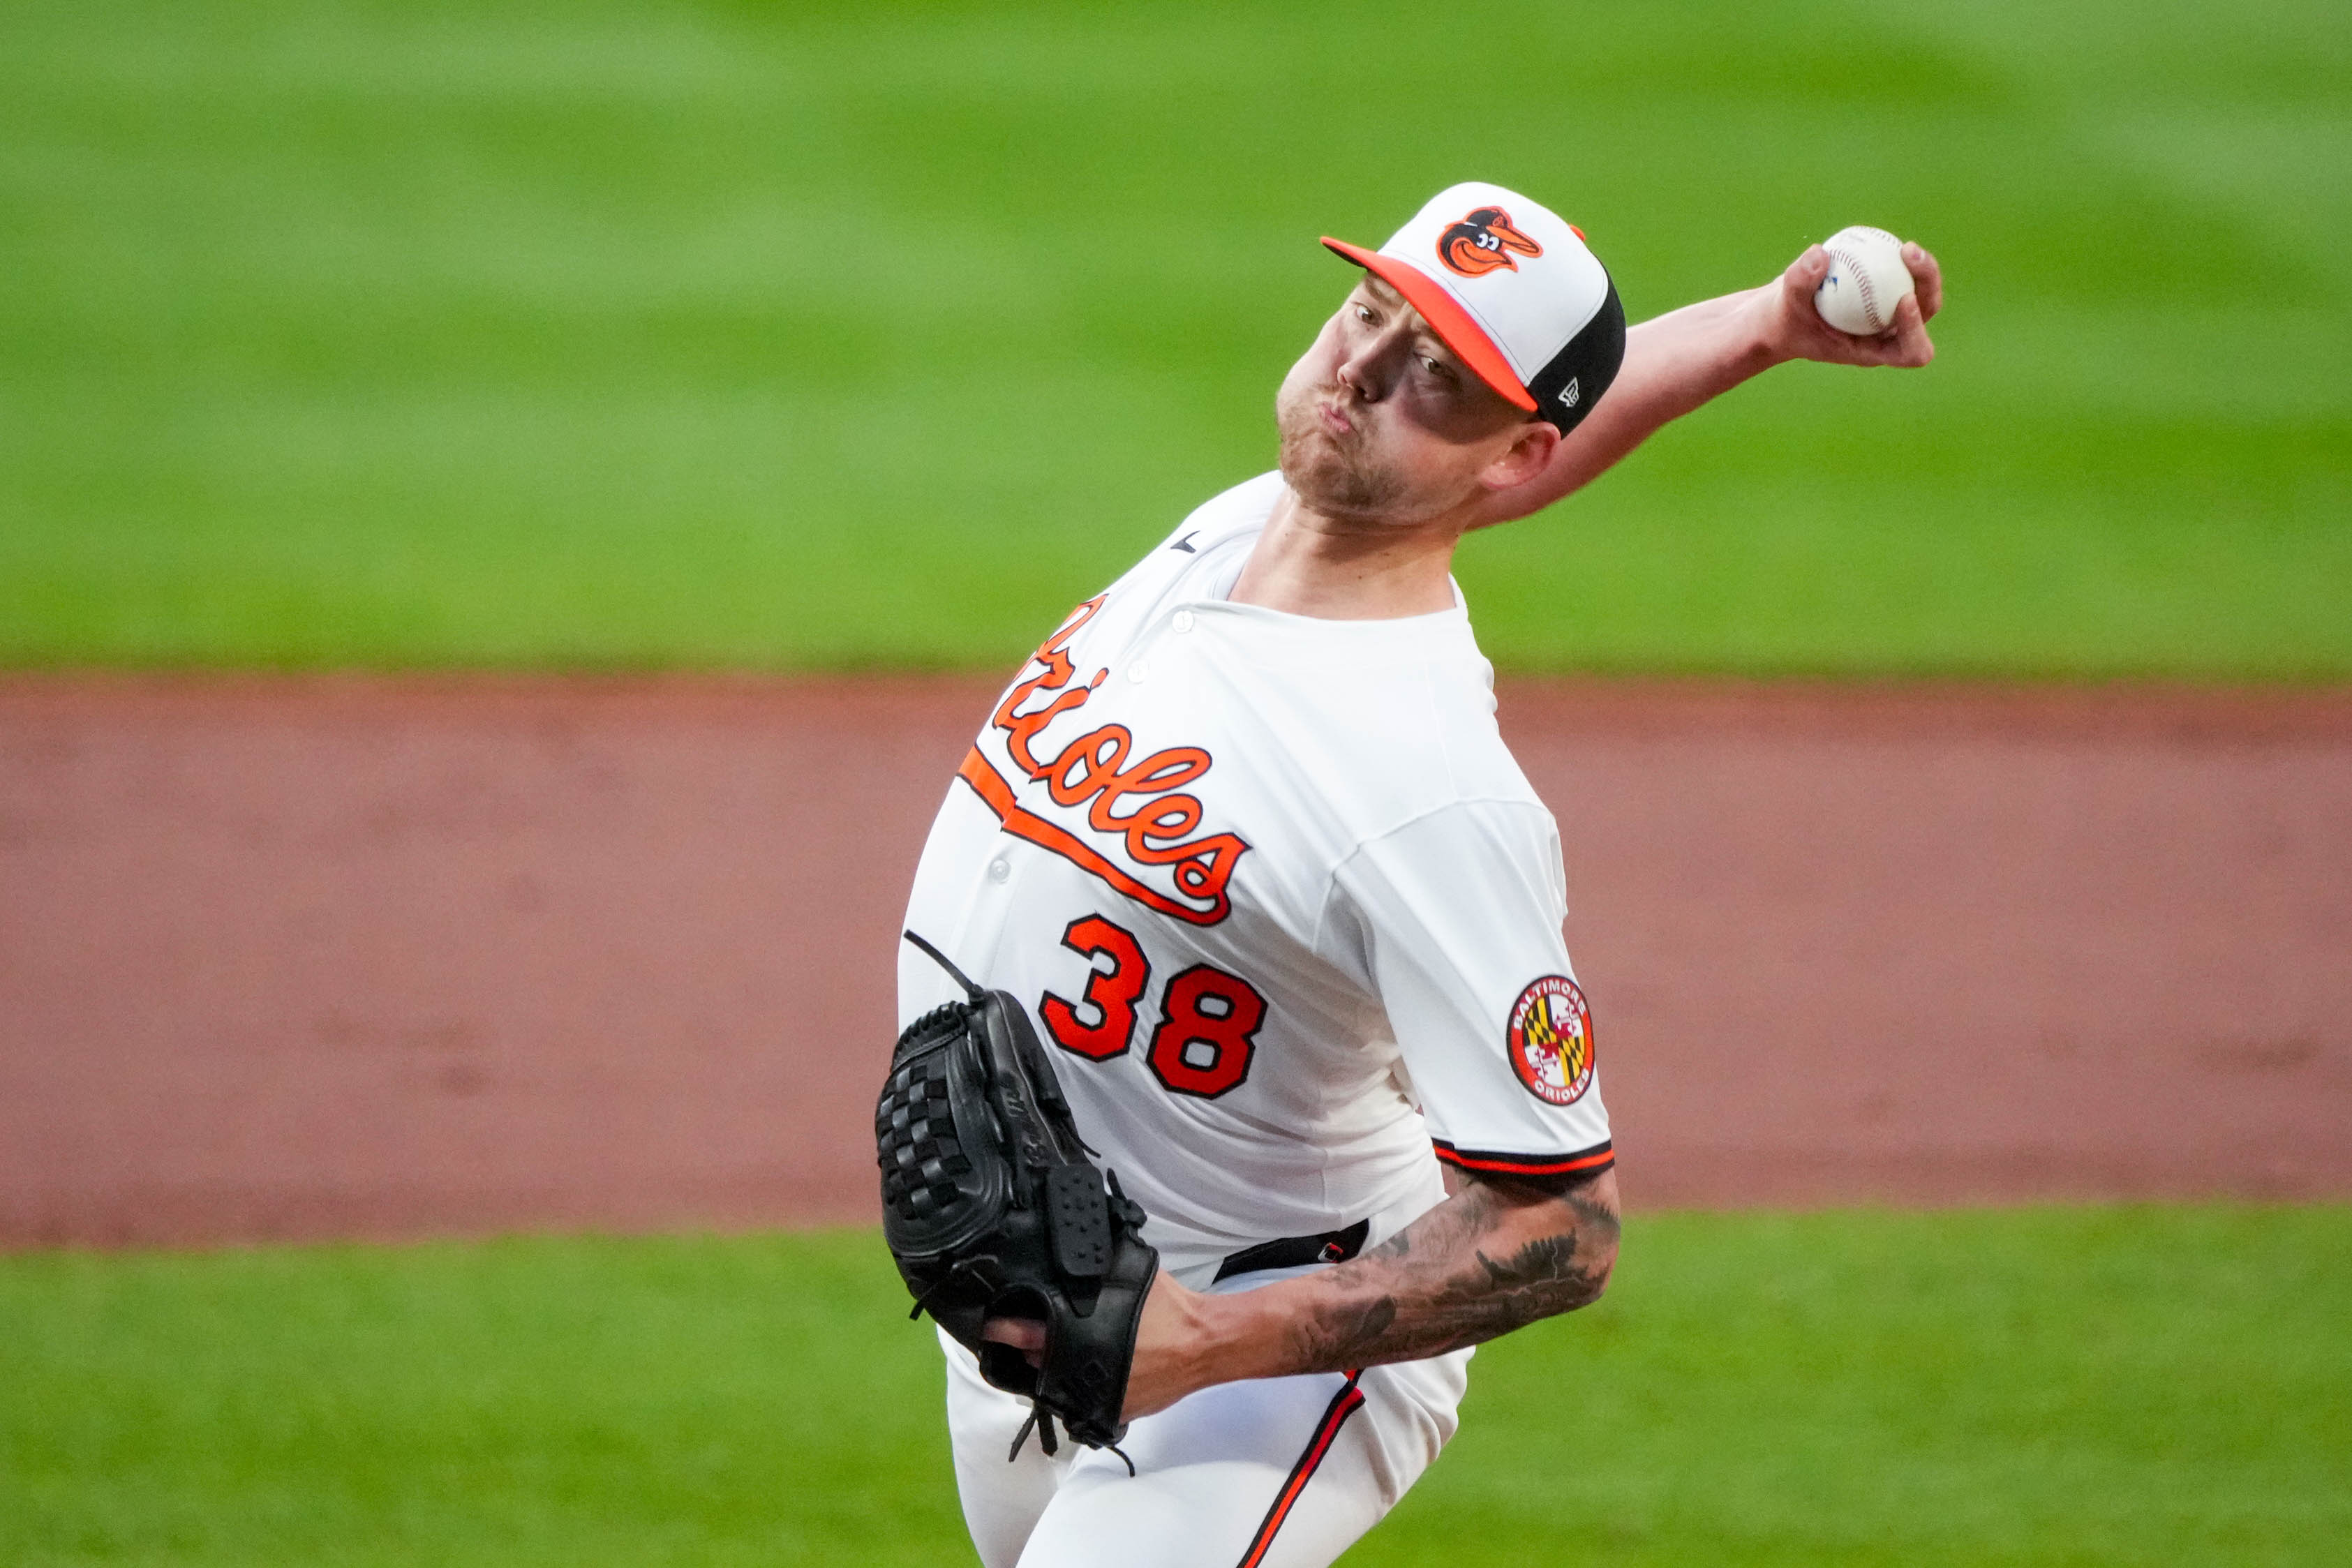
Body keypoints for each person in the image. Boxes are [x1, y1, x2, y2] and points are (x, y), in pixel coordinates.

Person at [896, 181, 1941, 1568]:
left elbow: (1560, 1224)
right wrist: (1758, 325)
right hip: (1054, 1312)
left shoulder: (1424, 796)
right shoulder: (1242, 525)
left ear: (1504, 454)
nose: (1361, 372)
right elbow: (1498, 448)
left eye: (1432, 374)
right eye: (1370, 313)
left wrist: (1203, 1344)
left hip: (1258, 1355)